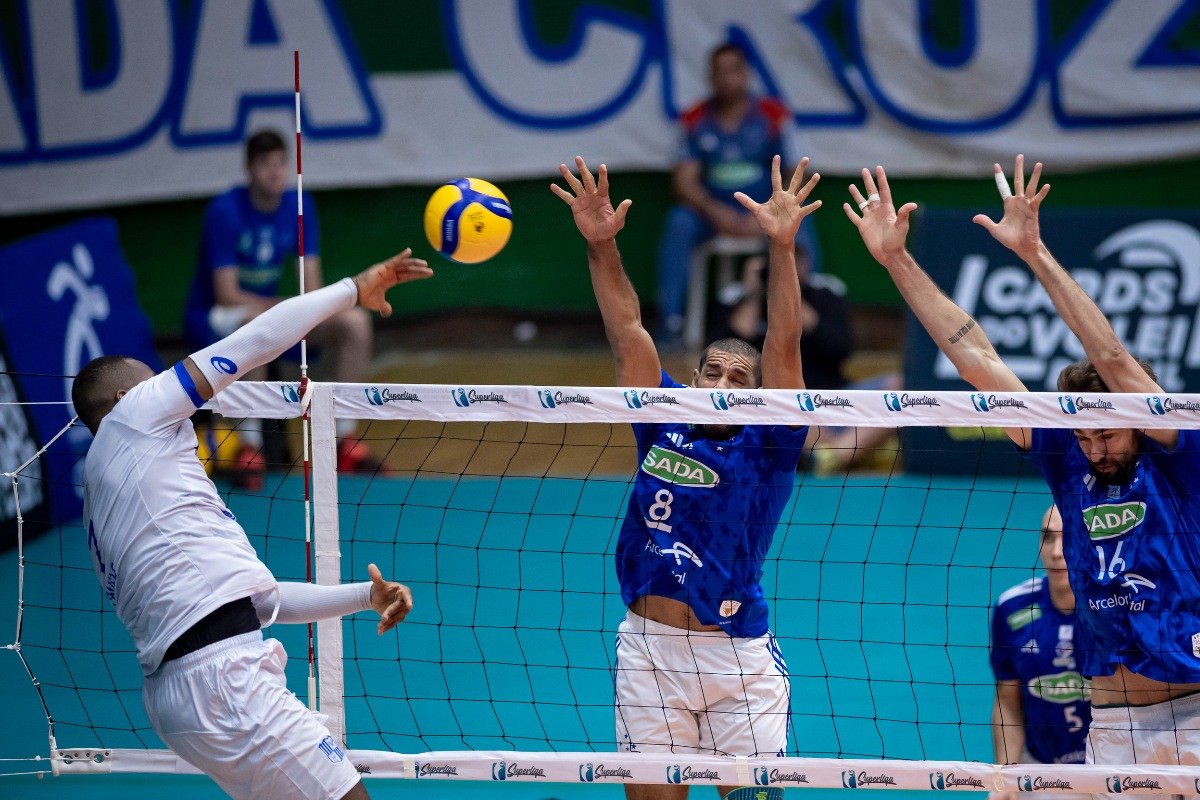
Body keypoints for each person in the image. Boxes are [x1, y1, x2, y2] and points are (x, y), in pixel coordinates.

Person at [844, 156, 1200, 773]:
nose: (1093, 447)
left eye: (1105, 435)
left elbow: (1112, 356)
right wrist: (896, 261)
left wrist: (1034, 254)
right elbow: (977, 356)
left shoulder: (1179, 454)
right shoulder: (1068, 456)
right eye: (1082, 436)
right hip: (1112, 725)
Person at [73, 249, 431, 800]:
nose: (175, 389)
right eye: (155, 380)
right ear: (125, 397)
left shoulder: (117, 491)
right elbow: (254, 342)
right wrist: (353, 288)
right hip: (224, 681)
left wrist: (365, 596)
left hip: (189, 688)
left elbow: (263, 604)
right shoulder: (137, 415)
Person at [552, 154, 819, 800]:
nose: (723, 385)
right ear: (694, 378)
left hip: (736, 661)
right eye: (712, 372)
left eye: (739, 378)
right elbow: (626, 331)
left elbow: (783, 346)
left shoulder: (772, 441)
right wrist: (602, 245)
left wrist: (780, 247)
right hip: (649, 653)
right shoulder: (660, 416)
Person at [183, 129, 376, 488]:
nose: (275, 172)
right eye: (265, 165)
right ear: (250, 170)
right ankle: (250, 448)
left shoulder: (300, 206)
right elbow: (226, 294)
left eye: (281, 164)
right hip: (213, 318)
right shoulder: (224, 211)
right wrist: (283, 312)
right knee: (257, 323)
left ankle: (343, 443)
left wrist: (296, 311)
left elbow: (312, 288)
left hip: (268, 310)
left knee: (355, 323)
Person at [657, 42, 820, 346]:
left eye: (734, 71)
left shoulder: (773, 115)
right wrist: (714, 211)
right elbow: (684, 181)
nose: (727, 79)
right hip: (713, 214)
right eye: (720, 72)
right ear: (710, 77)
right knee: (679, 221)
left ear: (746, 74)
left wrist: (772, 209)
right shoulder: (694, 119)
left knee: (802, 216)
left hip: (768, 207)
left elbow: (798, 173)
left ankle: (812, 311)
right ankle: (671, 322)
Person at [719, 244, 902, 472]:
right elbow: (728, 351)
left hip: (835, 399)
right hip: (781, 405)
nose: (789, 269)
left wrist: (792, 297)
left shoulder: (825, 298)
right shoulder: (741, 303)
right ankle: (851, 451)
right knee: (768, 405)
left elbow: (840, 349)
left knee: (900, 385)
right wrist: (758, 294)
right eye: (780, 264)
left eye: (795, 262)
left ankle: (834, 455)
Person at [988, 505, 1091, 800]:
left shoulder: (1118, 610)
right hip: (1040, 777)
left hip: (1111, 773)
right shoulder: (1012, 609)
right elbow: (1008, 702)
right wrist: (1004, 776)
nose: (1056, 552)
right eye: (1047, 538)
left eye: (1067, 537)